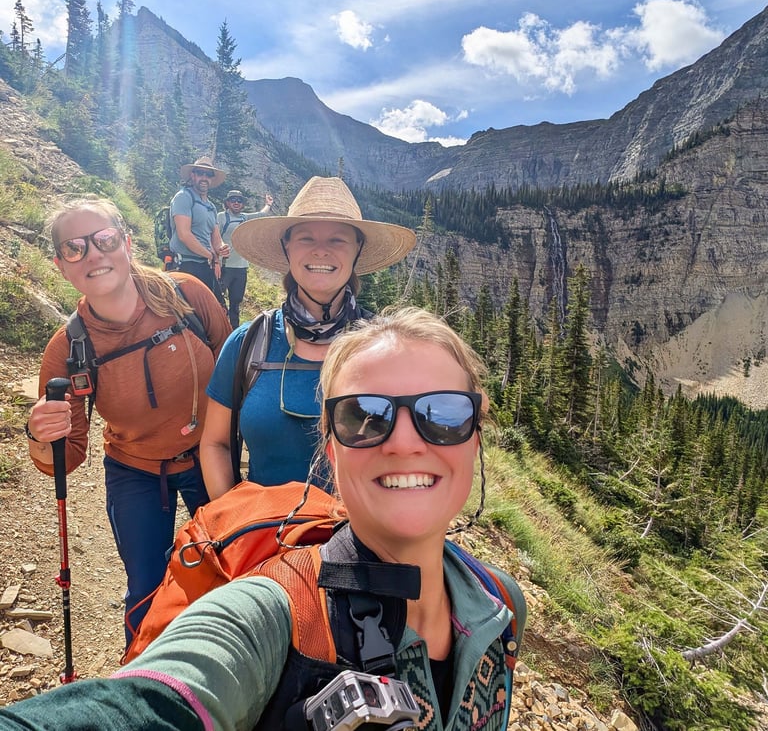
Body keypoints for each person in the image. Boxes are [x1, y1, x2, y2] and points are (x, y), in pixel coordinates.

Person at [0, 307, 526, 731]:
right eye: (363, 416)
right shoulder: (271, 614)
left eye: (444, 414)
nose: (406, 442)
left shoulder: (501, 602)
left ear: (476, 433)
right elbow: (149, 703)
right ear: (331, 447)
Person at [24, 197, 232, 646]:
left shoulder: (186, 296)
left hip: (209, 459)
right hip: (135, 470)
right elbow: (64, 457)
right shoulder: (68, 348)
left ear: (127, 244)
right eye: (75, 248)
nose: (94, 255)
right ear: (61, 265)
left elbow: (233, 366)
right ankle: (143, 679)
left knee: (228, 573)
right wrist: (41, 435)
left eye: (104, 240)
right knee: (146, 589)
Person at [200, 175, 416, 500]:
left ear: (358, 250)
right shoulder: (248, 343)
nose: (320, 251)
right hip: (263, 543)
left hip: (361, 545)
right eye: (305, 238)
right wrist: (232, 526)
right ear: (287, 247)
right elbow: (215, 443)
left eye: (338, 240)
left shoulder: (385, 347)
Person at [170, 156, 230, 300]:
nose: (204, 177)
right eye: (200, 173)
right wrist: (210, 255)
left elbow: (215, 237)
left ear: (212, 179)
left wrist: (221, 247)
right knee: (189, 315)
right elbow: (184, 235)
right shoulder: (183, 197)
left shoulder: (211, 206)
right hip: (184, 264)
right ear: (193, 175)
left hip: (204, 265)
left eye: (208, 174)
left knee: (215, 310)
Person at [217, 188, 274, 329]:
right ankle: (219, 328)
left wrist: (269, 204)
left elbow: (261, 214)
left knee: (236, 302)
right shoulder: (221, 217)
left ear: (243, 204)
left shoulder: (244, 217)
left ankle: (234, 331)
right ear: (227, 203)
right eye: (233, 200)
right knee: (219, 300)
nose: (236, 203)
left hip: (241, 268)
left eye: (239, 200)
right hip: (224, 266)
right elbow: (214, 237)